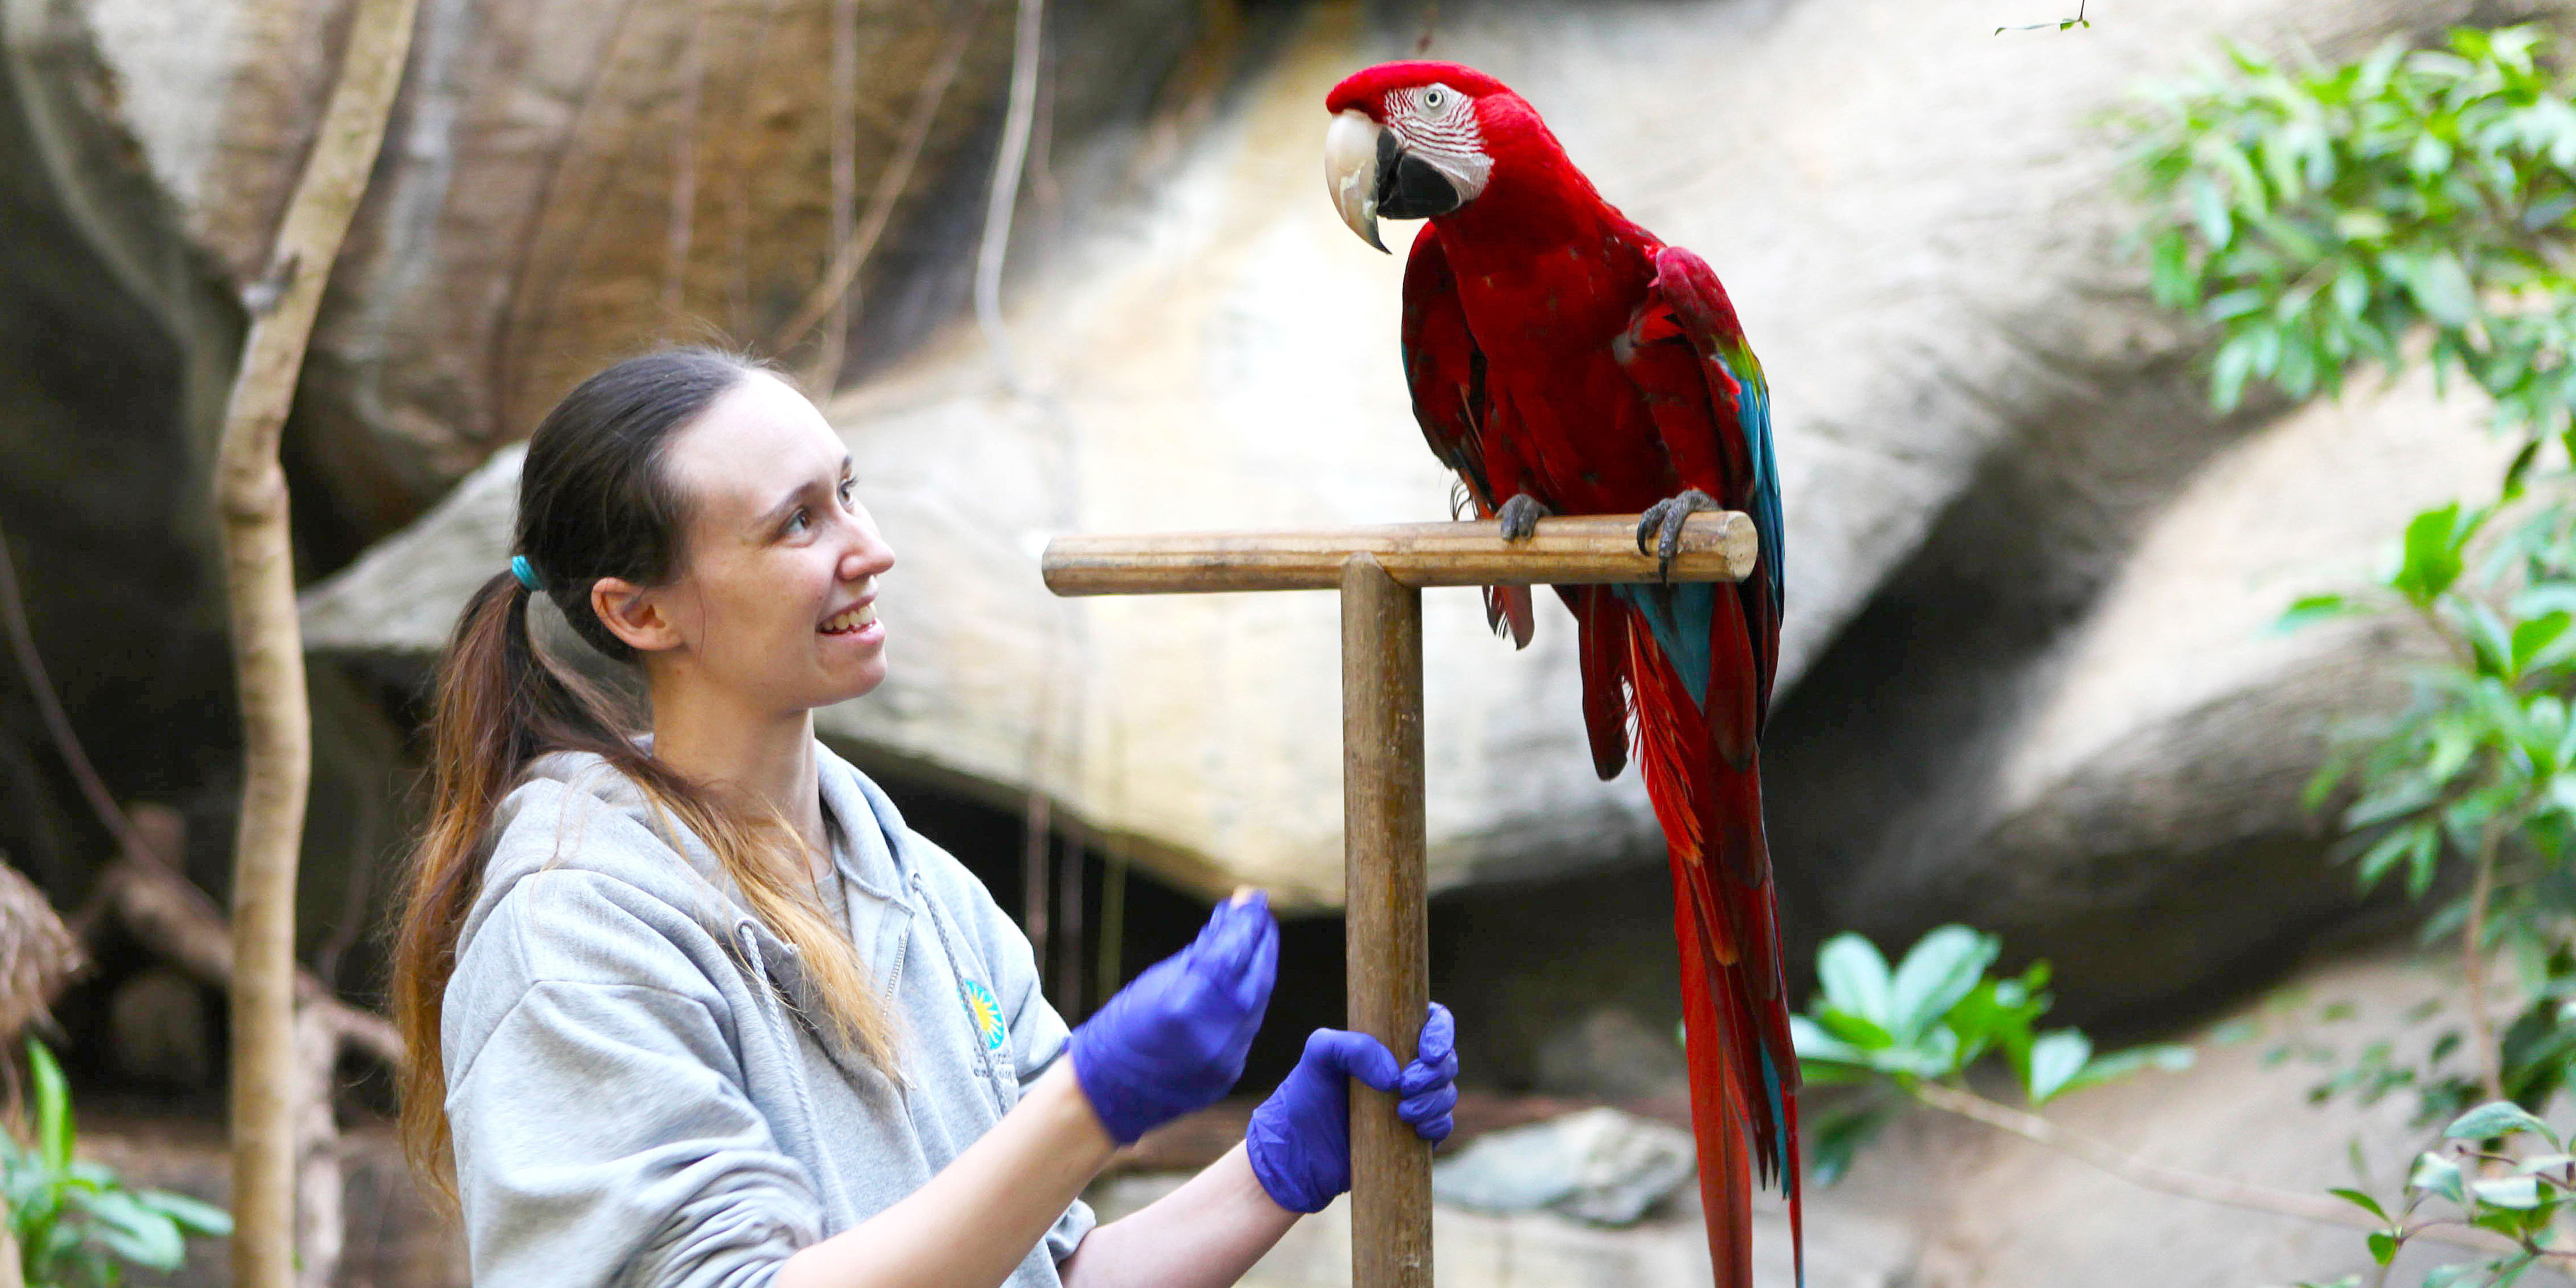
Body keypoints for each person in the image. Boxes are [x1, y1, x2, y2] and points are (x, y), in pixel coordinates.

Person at [388, 347, 1461, 1288]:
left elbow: (1048, 1274)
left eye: (848, 491)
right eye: (797, 521)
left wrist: (1278, 1168)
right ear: (640, 610)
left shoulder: (926, 894)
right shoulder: (572, 933)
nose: (870, 548)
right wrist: (1088, 1103)